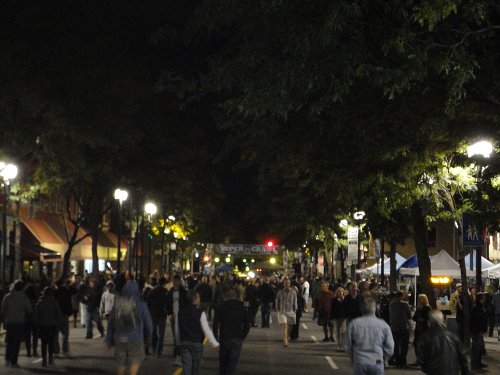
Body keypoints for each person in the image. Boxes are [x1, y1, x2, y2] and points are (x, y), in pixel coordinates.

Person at [105, 280, 153, 375]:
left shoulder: (117, 304)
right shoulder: (141, 304)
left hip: (119, 338)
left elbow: (110, 323)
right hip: (136, 338)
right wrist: (148, 339)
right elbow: (149, 325)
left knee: (121, 363)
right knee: (135, 360)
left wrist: (109, 339)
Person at [345, 298, 394, 375]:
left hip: (360, 361)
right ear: (375, 309)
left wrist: (353, 357)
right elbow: (390, 346)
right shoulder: (383, 325)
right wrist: (385, 358)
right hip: (377, 361)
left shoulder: (354, 324)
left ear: (362, 309)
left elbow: (347, 345)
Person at [417, 309, 469, 375]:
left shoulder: (424, 337)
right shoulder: (453, 336)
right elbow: (463, 357)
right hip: (452, 371)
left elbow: (420, 358)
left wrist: (427, 369)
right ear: (443, 321)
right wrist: (465, 372)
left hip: (433, 371)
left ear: (429, 322)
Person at [178, 291, 219, 375]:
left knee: (187, 367)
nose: (200, 299)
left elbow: (178, 328)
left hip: (184, 342)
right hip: (196, 343)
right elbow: (206, 330)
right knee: (195, 368)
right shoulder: (200, 313)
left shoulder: (181, 312)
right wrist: (214, 343)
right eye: (199, 297)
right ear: (195, 300)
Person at [213, 287, 250, 375]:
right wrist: (243, 336)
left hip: (224, 338)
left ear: (226, 296)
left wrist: (216, 338)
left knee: (223, 364)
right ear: (236, 296)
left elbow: (215, 325)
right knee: (232, 365)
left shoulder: (221, 307)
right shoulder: (241, 307)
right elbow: (247, 325)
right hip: (237, 338)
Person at [1, 279, 32, 368]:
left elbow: (3, 309)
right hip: (19, 322)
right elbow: (29, 309)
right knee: (17, 342)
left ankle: (8, 358)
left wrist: (4, 320)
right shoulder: (24, 297)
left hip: (10, 322)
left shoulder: (7, 297)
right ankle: (14, 361)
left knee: (10, 341)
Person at [34, 286, 63, 367]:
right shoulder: (54, 302)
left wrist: (37, 322)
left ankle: (44, 360)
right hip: (52, 325)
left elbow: (36, 314)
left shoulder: (40, 302)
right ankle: (50, 358)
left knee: (44, 343)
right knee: (51, 343)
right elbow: (59, 313)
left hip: (43, 325)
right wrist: (58, 321)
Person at [166, 274, 188, 366]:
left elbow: (187, 304)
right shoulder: (170, 292)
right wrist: (170, 314)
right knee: (176, 336)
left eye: (177, 280)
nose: (175, 282)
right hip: (174, 317)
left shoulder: (183, 292)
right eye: (174, 280)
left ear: (180, 281)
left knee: (181, 336)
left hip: (182, 318)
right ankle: (177, 356)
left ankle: (181, 356)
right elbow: (166, 304)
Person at [146, 276, 169, 358]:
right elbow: (168, 303)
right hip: (162, 315)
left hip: (153, 314)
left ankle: (153, 350)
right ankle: (158, 352)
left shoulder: (152, 292)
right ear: (164, 283)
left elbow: (148, 303)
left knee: (153, 333)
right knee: (161, 334)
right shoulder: (166, 292)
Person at [388, 291, 411, 368]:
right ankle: (403, 361)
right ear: (401, 296)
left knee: (395, 345)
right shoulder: (405, 304)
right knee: (404, 345)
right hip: (403, 327)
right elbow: (409, 315)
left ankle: (397, 361)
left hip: (394, 327)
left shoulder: (391, 305)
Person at [55, 278, 76, 355]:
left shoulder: (55, 292)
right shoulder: (66, 291)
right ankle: (65, 350)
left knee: (56, 334)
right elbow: (74, 291)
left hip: (56, 315)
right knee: (65, 333)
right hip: (64, 314)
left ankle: (56, 350)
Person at [275, 277, 297, 347]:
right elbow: (277, 300)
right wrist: (278, 309)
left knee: (290, 327)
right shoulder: (280, 292)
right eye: (285, 283)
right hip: (282, 311)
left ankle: (286, 337)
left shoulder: (293, 292)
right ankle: (285, 341)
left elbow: (295, 302)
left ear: (290, 284)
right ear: (283, 284)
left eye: (288, 283)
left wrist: (295, 309)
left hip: (290, 311)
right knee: (285, 325)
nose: (286, 284)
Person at [410, 293, 431, 366]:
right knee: (416, 344)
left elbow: (427, 318)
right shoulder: (419, 308)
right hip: (419, 328)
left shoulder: (427, 308)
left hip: (424, 328)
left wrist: (420, 319)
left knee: (422, 344)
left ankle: (422, 360)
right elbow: (414, 318)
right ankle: (419, 359)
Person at [470, 293, 488, 369]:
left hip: (478, 331)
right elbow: (478, 320)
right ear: (481, 299)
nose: (485, 299)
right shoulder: (477, 308)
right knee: (477, 348)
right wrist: (480, 330)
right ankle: (475, 364)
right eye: (484, 298)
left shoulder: (479, 307)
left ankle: (478, 363)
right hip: (477, 331)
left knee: (479, 348)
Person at [330, 287, 346, 352]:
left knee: (343, 332)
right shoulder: (334, 300)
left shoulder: (345, 300)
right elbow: (332, 309)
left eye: (341, 291)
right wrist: (331, 318)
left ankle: (342, 345)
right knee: (337, 332)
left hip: (343, 317)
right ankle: (338, 345)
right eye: (339, 292)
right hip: (336, 317)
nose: (340, 293)